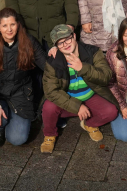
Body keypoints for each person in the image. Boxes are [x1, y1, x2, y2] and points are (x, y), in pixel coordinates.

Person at [40, 25, 118, 153]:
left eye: (68, 39)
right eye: (60, 43)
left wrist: (82, 67)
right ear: (56, 46)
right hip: (67, 99)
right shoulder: (53, 62)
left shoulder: (92, 52)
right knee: (48, 107)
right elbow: (51, 91)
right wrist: (77, 106)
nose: (65, 44)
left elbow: (106, 76)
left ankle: (90, 124)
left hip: (90, 95)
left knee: (111, 111)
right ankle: (49, 135)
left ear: (74, 36)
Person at [0, 8, 48, 147]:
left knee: (18, 139)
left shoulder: (28, 41)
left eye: (12, 24)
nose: (9, 29)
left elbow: (47, 66)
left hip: (21, 93)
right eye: (4, 25)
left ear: (18, 24)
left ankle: (12, 120)